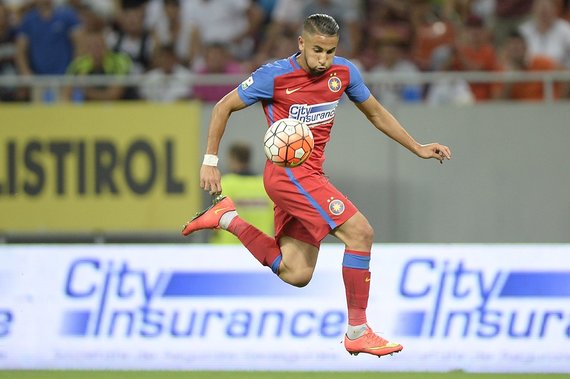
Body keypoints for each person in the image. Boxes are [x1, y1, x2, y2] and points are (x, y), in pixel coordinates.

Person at [182, 14, 451, 357]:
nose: (324, 59)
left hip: (311, 176)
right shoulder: (275, 75)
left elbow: (376, 113)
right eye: (317, 50)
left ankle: (226, 218)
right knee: (361, 233)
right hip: (287, 174)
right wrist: (210, 161)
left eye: (330, 51)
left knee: (297, 272)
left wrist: (417, 147)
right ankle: (357, 330)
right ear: (301, 44)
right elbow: (223, 107)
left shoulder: (344, 73)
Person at [209, 142, 274, 244]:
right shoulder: (265, 185)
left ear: (233, 158)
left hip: (228, 249)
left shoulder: (224, 184)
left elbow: (213, 221)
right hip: (261, 248)